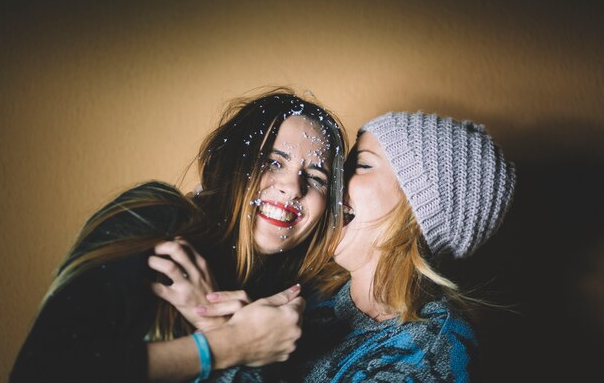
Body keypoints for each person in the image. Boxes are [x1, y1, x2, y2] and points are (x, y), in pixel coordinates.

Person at [9, 88, 347, 383]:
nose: (292, 187)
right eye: (273, 162)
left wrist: (219, 324)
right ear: (231, 164)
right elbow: (43, 372)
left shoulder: (295, 308)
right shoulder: (156, 223)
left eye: (316, 177)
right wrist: (232, 344)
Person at [204, 111, 516, 382]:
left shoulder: (435, 348)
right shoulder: (307, 285)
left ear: (420, 211)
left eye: (362, 165)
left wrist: (228, 348)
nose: (332, 181)